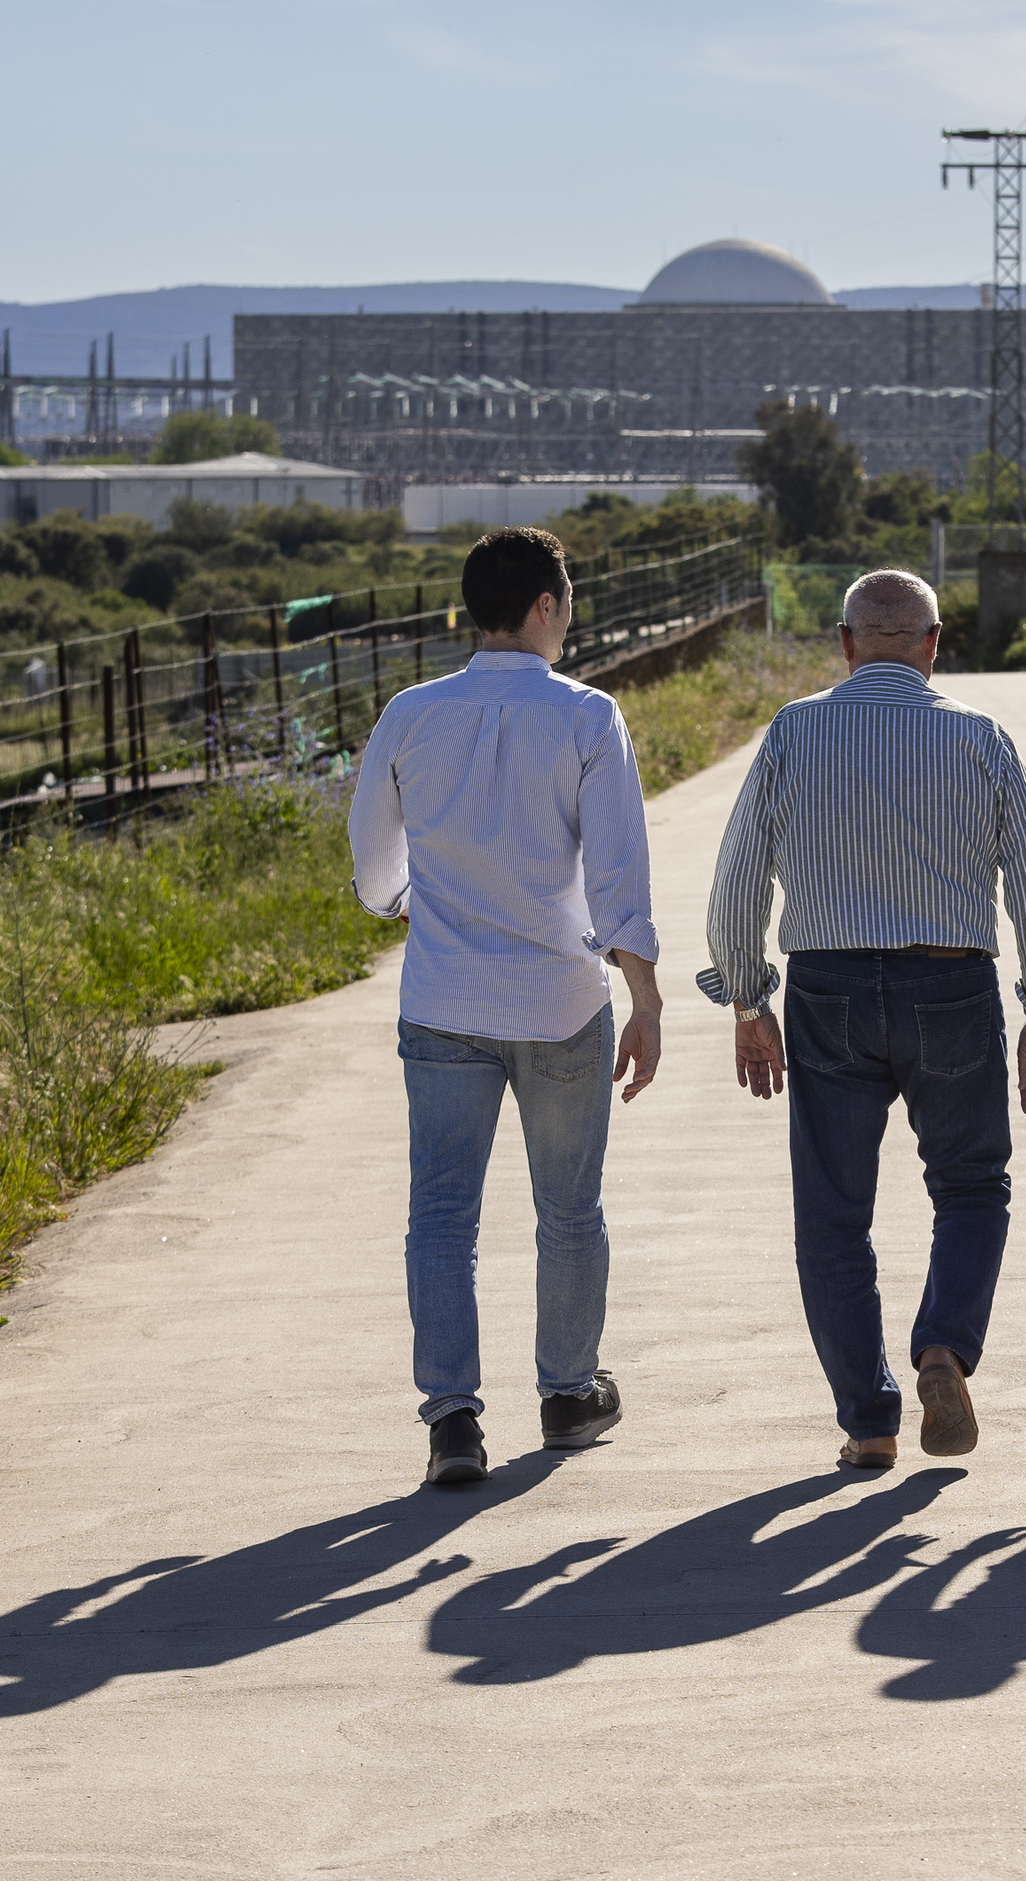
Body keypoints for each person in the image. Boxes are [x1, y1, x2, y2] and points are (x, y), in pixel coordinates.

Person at [703, 570, 1026, 1471]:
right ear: (934, 642)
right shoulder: (979, 737)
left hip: (826, 988)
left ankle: (868, 1421)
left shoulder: (795, 730)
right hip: (951, 987)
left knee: (832, 1212)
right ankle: (944, 1348)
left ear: (844, 645)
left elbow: (736, 878)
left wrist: (747, 998)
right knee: (969, 1187)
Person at [352, 527, 663, 1488]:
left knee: (441, 1213)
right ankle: (568, 1391)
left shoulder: (410, 712)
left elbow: (371, 856)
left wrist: (403, 902)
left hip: (444, 996)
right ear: (542, 607)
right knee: (568, 1206)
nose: (568, 621)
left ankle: (452, 1421)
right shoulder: (587, 715)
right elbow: (617, 869)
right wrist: (643, 990)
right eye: (565, 604)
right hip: (563, 999)